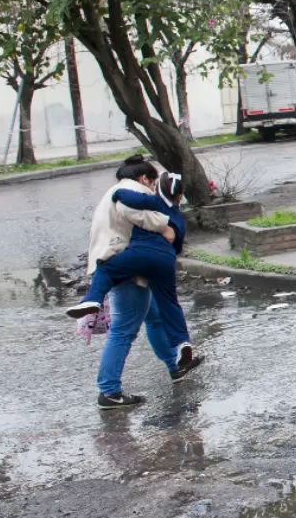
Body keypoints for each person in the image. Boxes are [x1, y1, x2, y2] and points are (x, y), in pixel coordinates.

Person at [76, 157, 201, 410]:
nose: (154, 188)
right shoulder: (134, 189)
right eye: (153, 182)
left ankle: (175, 365)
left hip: (124, 261)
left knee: (154, 316)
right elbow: (132, 211)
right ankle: (109, 391)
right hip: (127, 264)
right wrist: (168, 227)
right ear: (145, 179)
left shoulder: (112, 191)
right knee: (123, 330)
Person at [66, 169, 194, 366]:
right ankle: (183, 343)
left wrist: (117, 193)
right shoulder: (176, 214)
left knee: (106, 270)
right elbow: (176, 243)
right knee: (169, 305)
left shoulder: (153, 202)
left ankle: (92, 299)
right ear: (179, 195)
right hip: (165, 261)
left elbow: (124, 198)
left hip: (139, 254)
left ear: (157, 187)